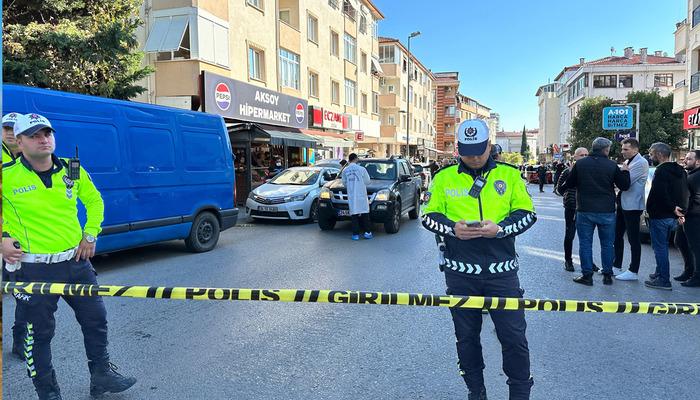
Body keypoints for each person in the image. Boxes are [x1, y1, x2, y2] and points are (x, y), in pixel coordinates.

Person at [2, 113, 136, 399]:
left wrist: (90, 234)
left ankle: (101, 375)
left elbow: (94, 199)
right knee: (40, 334)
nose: (43, 139)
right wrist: (2, 240)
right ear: (20, 142)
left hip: (76, 263)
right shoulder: (7, 176)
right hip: (32, 268)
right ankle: (47, 391)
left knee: (96, 319)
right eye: (35, 135)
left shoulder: (71, 168)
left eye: (47, 133)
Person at [421, 119, 537, 400]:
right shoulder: (444, 177)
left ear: (489, 145)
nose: (473, 156)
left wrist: (500, 230)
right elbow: (427, 216)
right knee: (466, 338)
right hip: (460, 274)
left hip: (503, 274)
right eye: (466, 150)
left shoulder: (509, 176)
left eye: (478, 150)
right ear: (458, 148)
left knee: (514, 338)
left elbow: (528, 214)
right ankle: (476, 392)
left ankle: (520, 395)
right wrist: (452, 229)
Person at [559, 137, 630, 286]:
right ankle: (607, 275)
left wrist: (563, 187)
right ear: (606, 150)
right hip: (607, 211)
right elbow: (624, 186)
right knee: (607, 244)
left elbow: (569, 184)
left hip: (585, 210)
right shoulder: (611, 165)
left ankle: (587, 276)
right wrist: (625, 172)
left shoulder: (581, 164)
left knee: (585, 243)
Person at [644, 143, 689, 290]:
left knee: (660, 248)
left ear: (659, 154)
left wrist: (670, 207)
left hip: (660, 215)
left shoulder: (661, 171)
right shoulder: (680, 170)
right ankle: (659, 273)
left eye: (651, 154)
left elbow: (660, 193)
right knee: (661, 247)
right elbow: (684, 192)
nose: (651, 157)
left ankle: (664, 279)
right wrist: (679, 210)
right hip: (672, 216)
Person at [2, 111, 28, 361]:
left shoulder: (28, 158)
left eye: (14, 127)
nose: (9, 131)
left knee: (22, 292)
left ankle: (20, 340)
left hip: (20, 242)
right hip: (4, 240)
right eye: (5, 127)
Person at [556, 147, 601, 273]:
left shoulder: (593, 170)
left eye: (587, 154)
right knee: (570, 235)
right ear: (575, 157)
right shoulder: (567, 171)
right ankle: (568, 261)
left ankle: (588, 262)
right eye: (581, 155)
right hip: (571, 207)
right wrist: (570, 175)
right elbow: (559, 190)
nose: (585, 157)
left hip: (587, 208)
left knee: (587, 237)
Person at [613, 138, 649, 281]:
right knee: (617, 235)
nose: (623, 152)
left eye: (626, 149)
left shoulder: (641, 163)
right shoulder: (629, 162)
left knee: (633, 239)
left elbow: (624, 183)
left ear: (635, 149)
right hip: (623, 204)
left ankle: (633, 270)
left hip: (633, 206)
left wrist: (623, 173)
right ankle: (616, 265)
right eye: (622, 149)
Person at [676, 150, 700, 287]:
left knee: (696, 247)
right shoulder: (691, 174)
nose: (685, 161)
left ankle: (697, 276)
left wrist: (683, 213)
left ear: (698, 161)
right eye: (685, 158)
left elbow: (691, 198)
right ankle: (689, 270)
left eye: (689, 159)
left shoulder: (696, 177)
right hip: (688, 215)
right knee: (680, 241)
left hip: (694, 216)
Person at [341, 153, 373, 240]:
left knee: (354, 214)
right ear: (355, 159)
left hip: (351, 195)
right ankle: (367, 232)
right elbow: (367, 181)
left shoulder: (345, 170)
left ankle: (355, 235)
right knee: (365, 213)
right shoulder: (361, 169)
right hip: (361, 194)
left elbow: (344, 183)